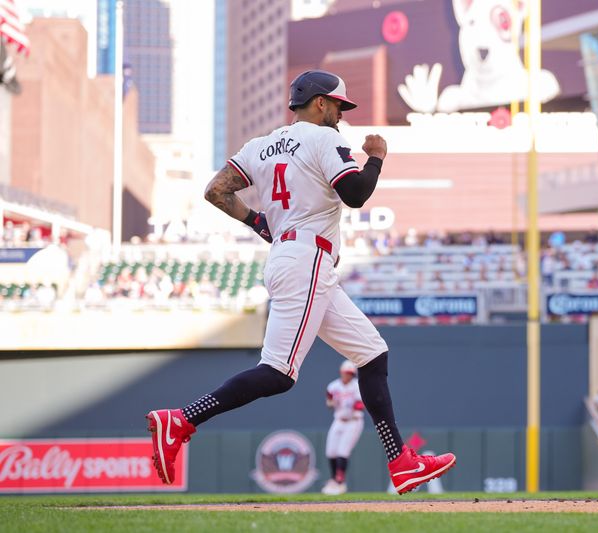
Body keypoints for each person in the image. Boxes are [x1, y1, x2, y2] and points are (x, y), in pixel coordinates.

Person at [144, 70, 456, 494]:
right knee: (278, 373)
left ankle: (401, 462)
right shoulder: (324, 139)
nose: (341, 116)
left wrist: (259, 222)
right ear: (320, 103)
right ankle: (181, 420)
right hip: (307, 258)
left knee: (371, 354)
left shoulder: (260, 145)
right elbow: (356, 193)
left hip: (298, 258)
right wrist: (377, 158)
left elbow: (216, 191)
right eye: (339, 107)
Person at [321, 361, 364, 495]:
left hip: (354, 421)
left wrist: (351, 405)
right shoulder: (334, 386)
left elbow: (360, 404)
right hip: (339, 420)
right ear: (341, 372)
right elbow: (329, 401)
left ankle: (340, 481)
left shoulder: (356, 385)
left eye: (351, 374)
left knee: (343, 451)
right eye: (346, 373)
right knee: (331, 451)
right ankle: (335, 480)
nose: (348, 376)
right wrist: (331, 402)